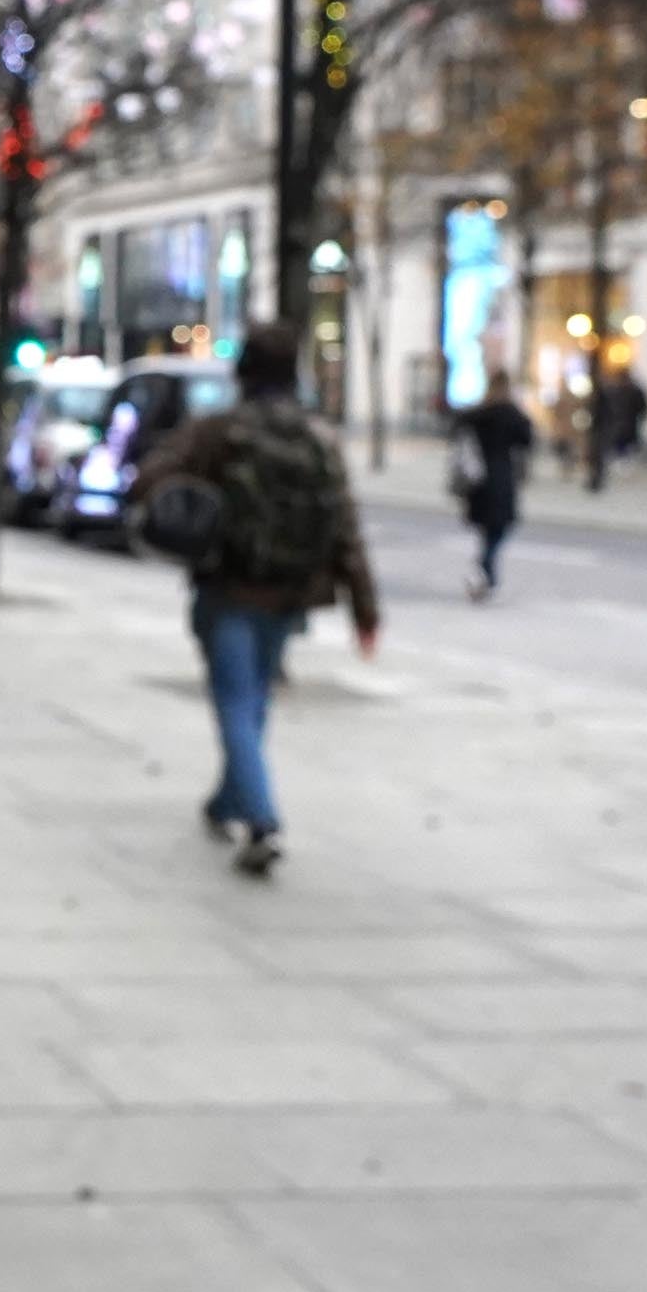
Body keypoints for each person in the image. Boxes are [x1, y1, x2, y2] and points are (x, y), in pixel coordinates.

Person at [134, 323, 380, 879]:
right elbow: (346, 526)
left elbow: (147, 477)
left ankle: (262, 821)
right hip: (291, 592)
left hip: (228, 589)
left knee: (235, 702)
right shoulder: (319, 438)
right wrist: (365, 610)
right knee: (253, 700)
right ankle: (226, 800)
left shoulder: (218, 432)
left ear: (241, 372)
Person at [452, 366, 536, 600]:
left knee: (489, 530)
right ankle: (484, 568)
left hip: (478, 479)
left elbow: (457, 426)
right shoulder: (510, 413)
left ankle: (484, 572)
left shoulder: (480, 412)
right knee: (499, 529)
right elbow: (527, 438)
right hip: (500, 478)